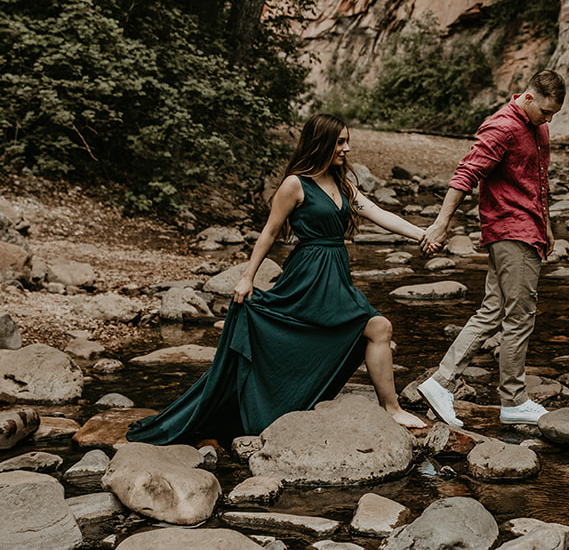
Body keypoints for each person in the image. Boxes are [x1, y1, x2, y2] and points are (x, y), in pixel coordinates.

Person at [128, 115, 428, 444]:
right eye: (340, 141)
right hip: (308, 275)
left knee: (375, 327)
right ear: (322, 143)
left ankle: (389, 407)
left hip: (334, 272)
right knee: (376, 326)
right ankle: (389, 407)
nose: (347, 147)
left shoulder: (342, 182)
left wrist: (421, 234)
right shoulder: (295, 184)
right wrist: (246, 278)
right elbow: (269, 232)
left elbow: (378, 212)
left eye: (347, 140)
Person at [417, 70, 565, 426]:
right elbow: (465, 174)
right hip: (510, 232)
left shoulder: (539, 127)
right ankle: (513, 401)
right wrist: (441, 222)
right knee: (520, 316)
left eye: (553, 115)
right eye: (545, 111)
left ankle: (441, 382)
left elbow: (537, 179)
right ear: (527, 98)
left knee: (492, 311)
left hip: (528, 229)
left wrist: (546, 225)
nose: (548, 120)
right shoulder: (501, 127)